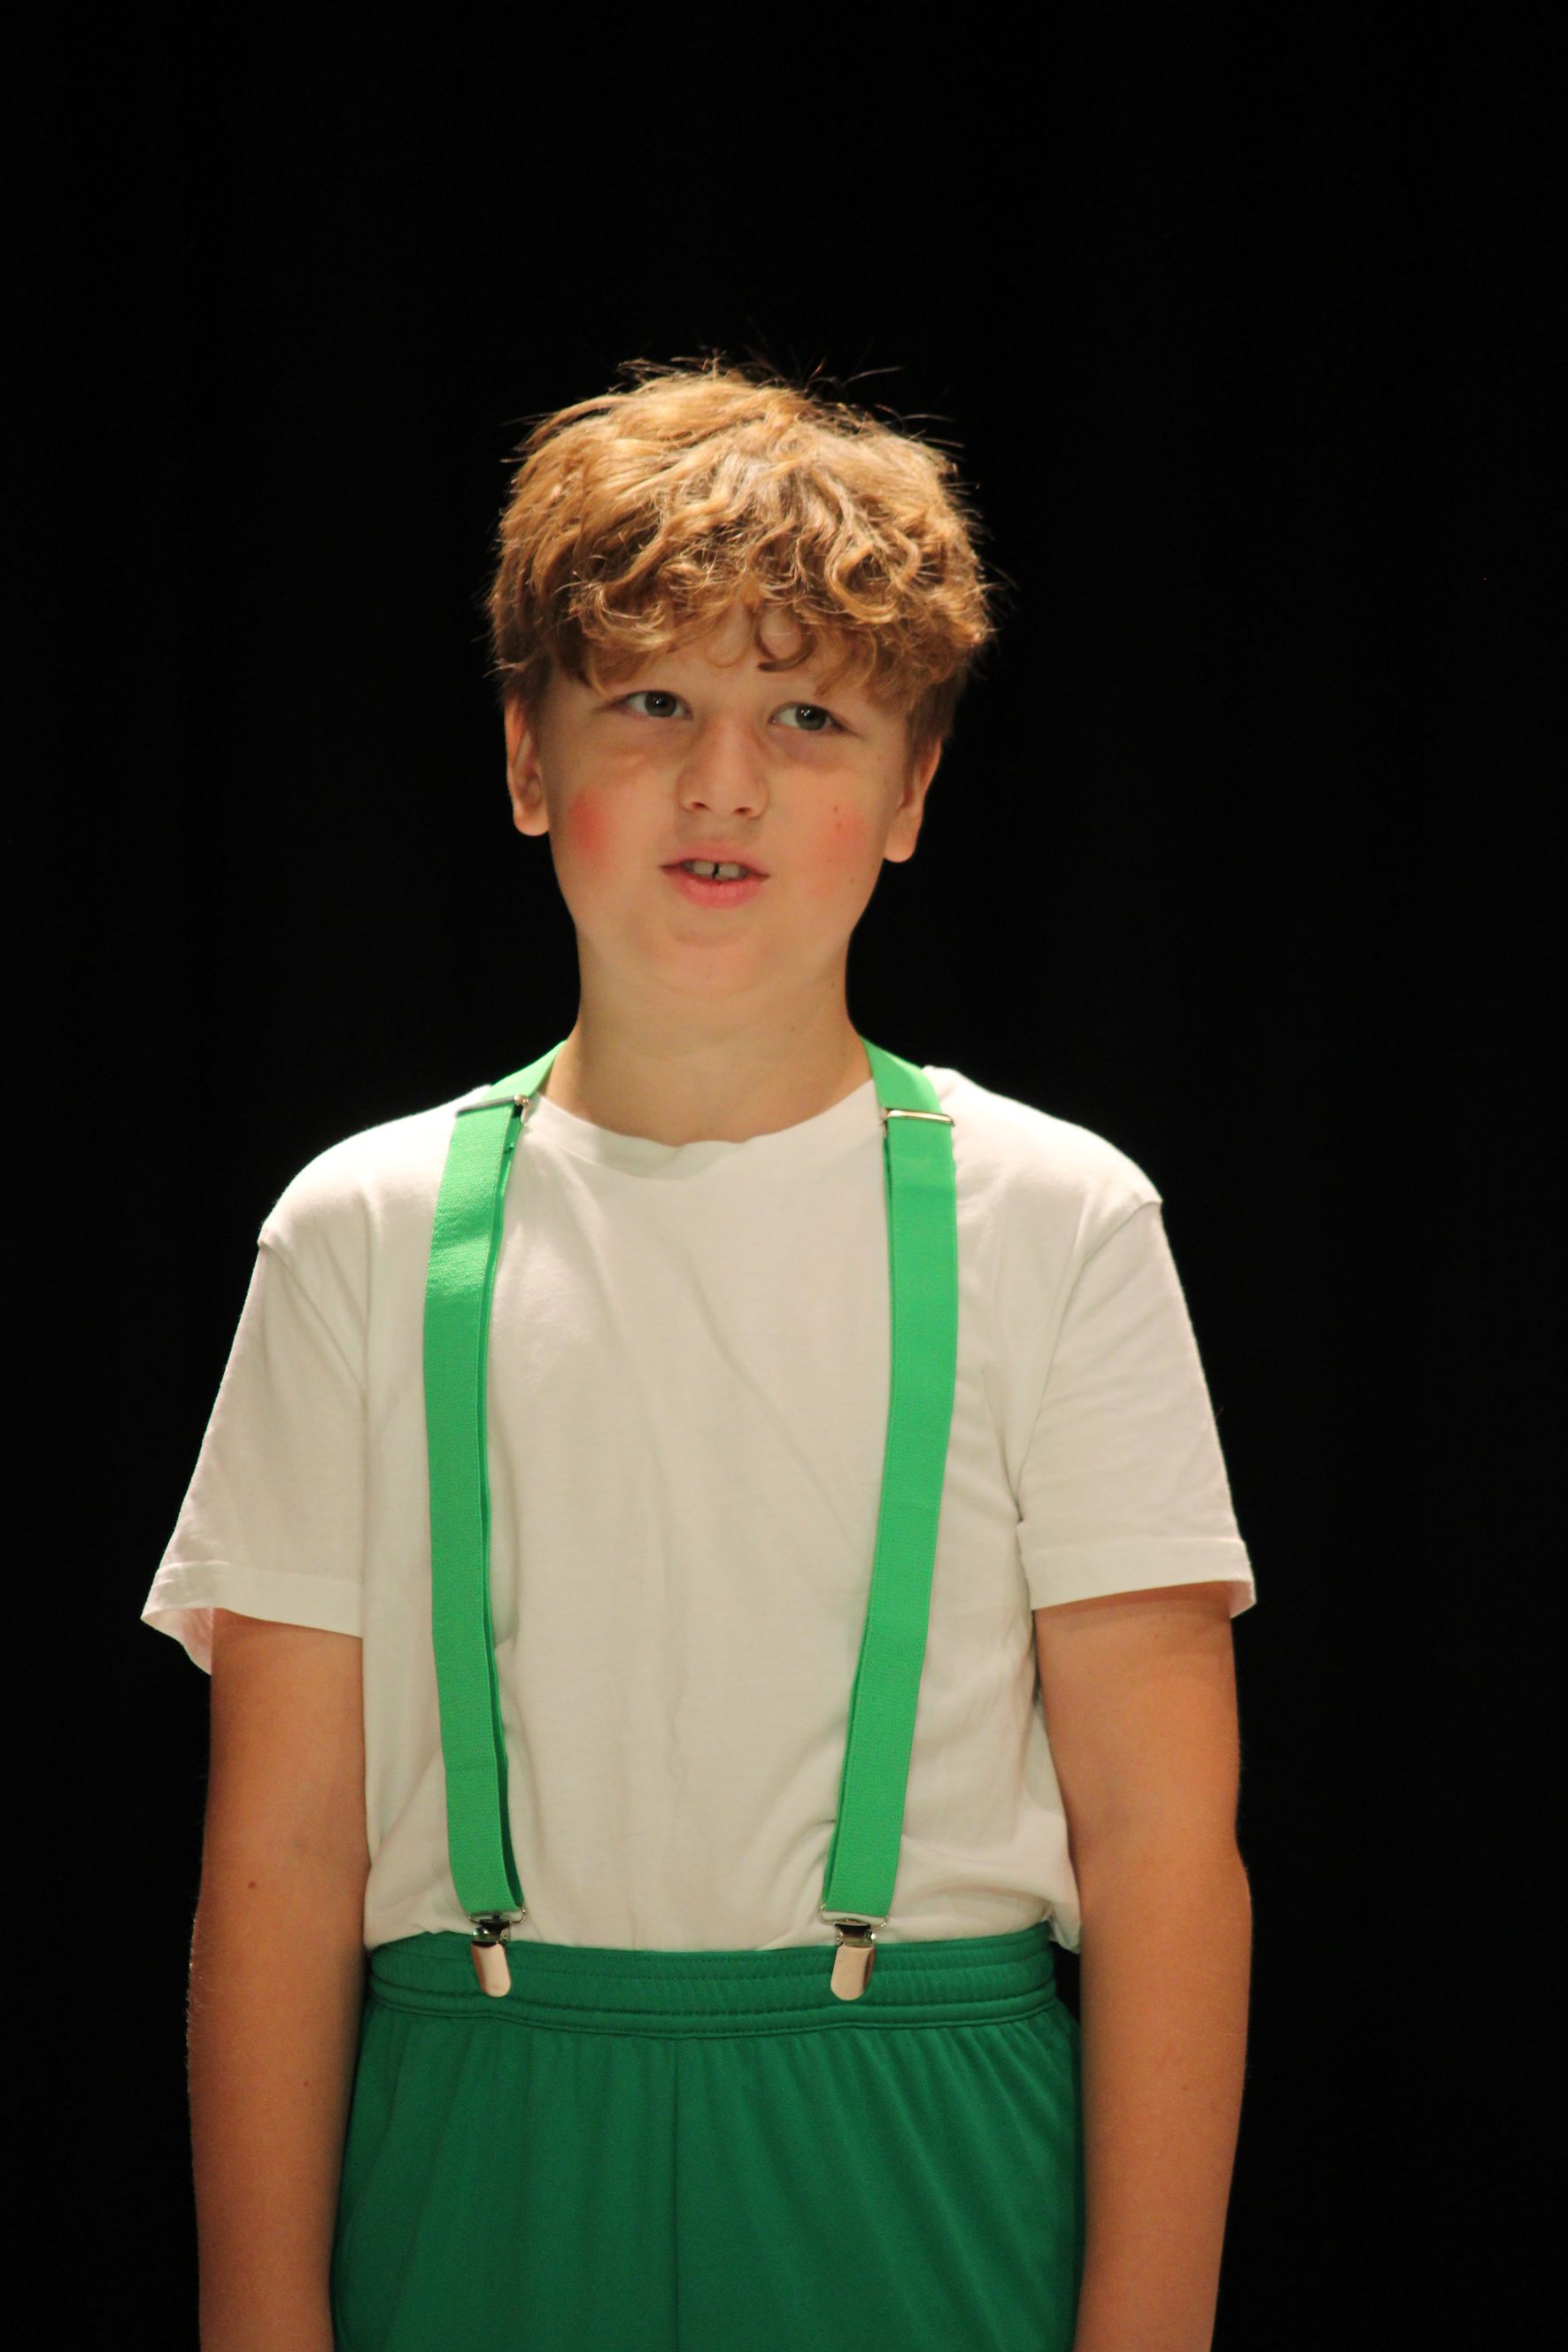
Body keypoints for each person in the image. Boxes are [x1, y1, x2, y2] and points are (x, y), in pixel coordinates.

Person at [143, 355, 1256, 2352]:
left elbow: (1166, 1847)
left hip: (917, 2127)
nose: (721, 779)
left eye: (806, 715)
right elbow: (281, 1852)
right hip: (476, 2117)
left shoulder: (1058, 1217)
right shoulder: (360, 1232)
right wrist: (258, 2315)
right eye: (648, 702)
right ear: (521, 756)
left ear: (912, 791)